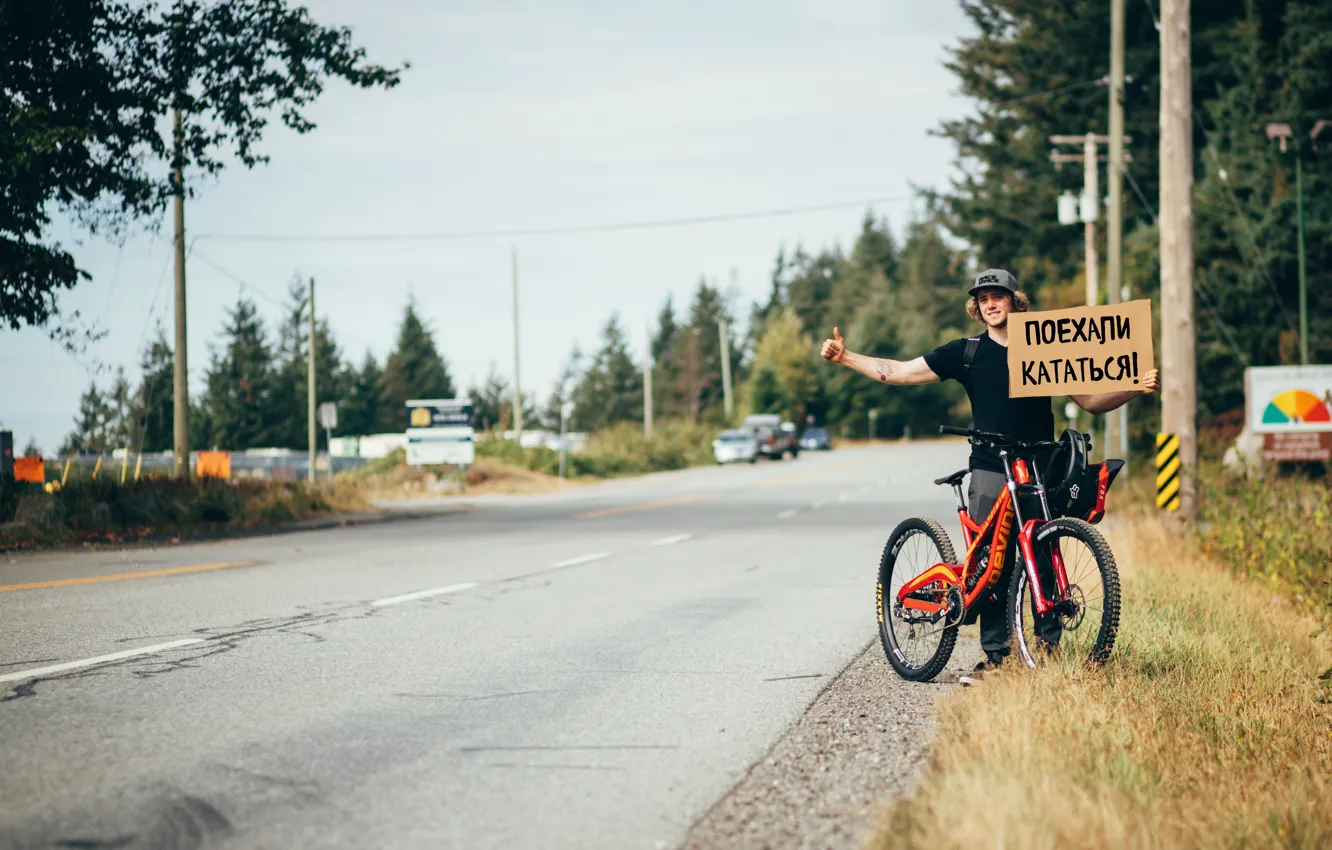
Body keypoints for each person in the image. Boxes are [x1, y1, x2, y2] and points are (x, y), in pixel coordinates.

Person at [818, 268, 1159, 685]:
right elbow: (901, 372)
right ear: (976, 307)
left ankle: (1046, 655)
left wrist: (1134, 389)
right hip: (989, 468)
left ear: (1017, 300)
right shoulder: (968, 352)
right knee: (990, 567)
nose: (991, 303)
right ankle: (997, 660)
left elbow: (1090, 401)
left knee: (1044, 557)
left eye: (998, 295)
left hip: (1037, 466)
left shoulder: (1045, 347)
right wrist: (846, 357)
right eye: (983, 298)